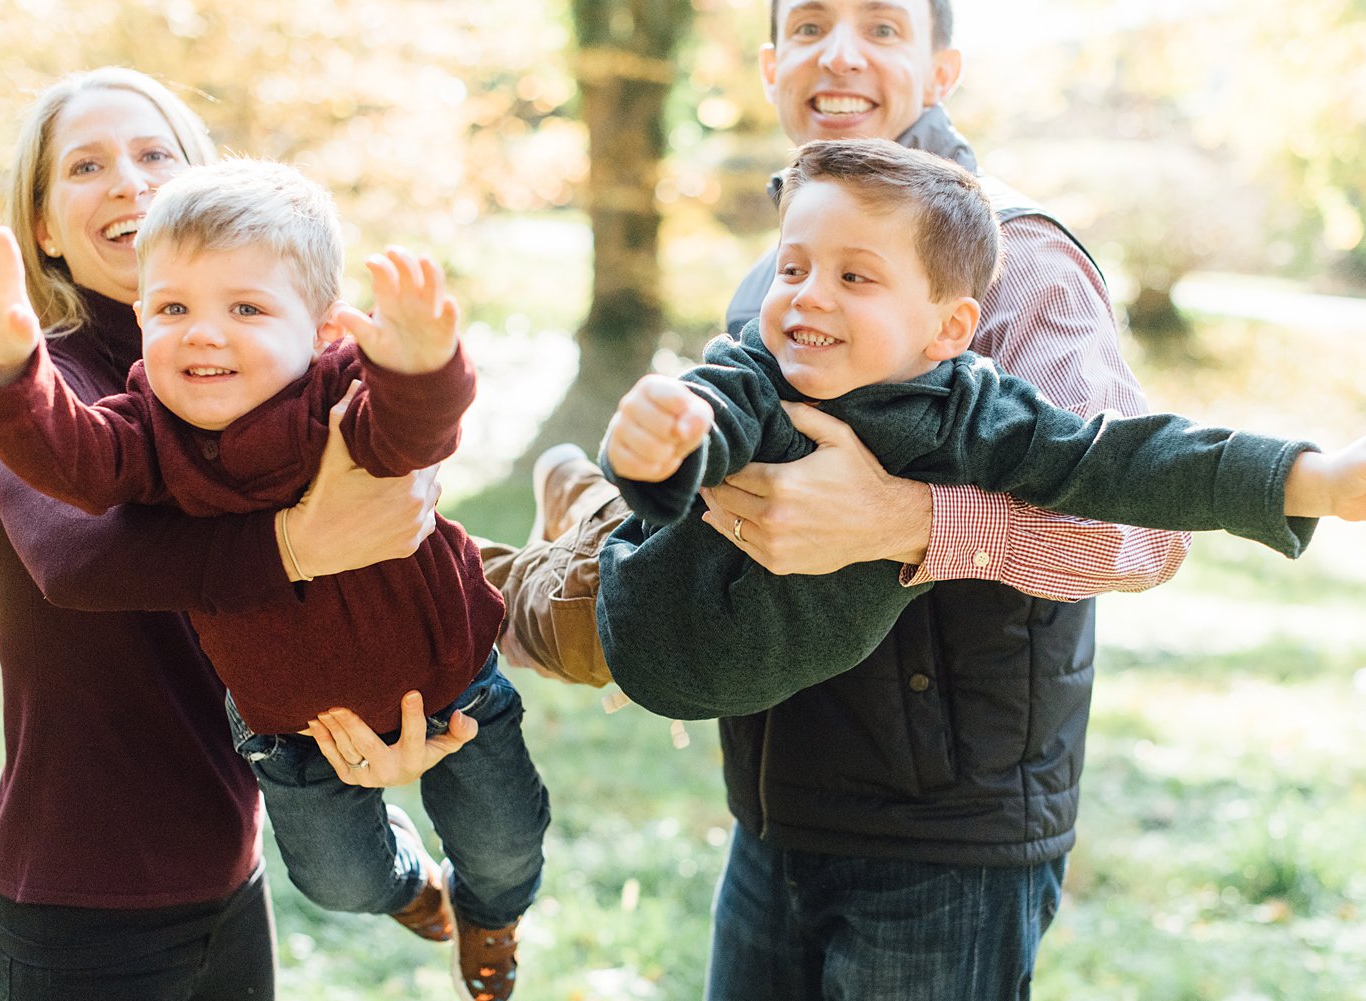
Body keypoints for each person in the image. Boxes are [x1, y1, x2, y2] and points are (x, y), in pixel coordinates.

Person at [476, 1, 1204, 997]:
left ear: (944, 70)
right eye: (811, 24)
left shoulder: (1020, 261)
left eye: (884, 27)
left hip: (946, 846)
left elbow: (1145, 532)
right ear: (773, 66)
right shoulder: (775, 278)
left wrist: (912, 522)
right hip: (775, 812)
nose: (843, 53)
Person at [0, 156, 548, 1001]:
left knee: (504, 843)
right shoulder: (147, 426)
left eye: (244, 309)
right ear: (142, 314)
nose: (204, 333)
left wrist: (425, 364)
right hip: (296, 725)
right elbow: (71, 464)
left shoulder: (338, 392)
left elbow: (411, 434)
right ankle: (410, 888)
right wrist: (3, 366)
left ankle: (493, 914)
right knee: (337, 880)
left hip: (453, 677)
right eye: (173, 310)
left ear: (324, 328)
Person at [595, 136, 1365, 719]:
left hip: (755, 684)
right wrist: (665, 443)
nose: (808, 297)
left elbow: (1122, 460)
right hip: (637, 612)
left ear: (950, 327)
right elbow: (709, 411)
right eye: (792, 270)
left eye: (853, 276)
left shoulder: (972, 412)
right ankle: (573, 497)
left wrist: (1313, 480)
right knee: (545, 588)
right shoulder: (757, 371)